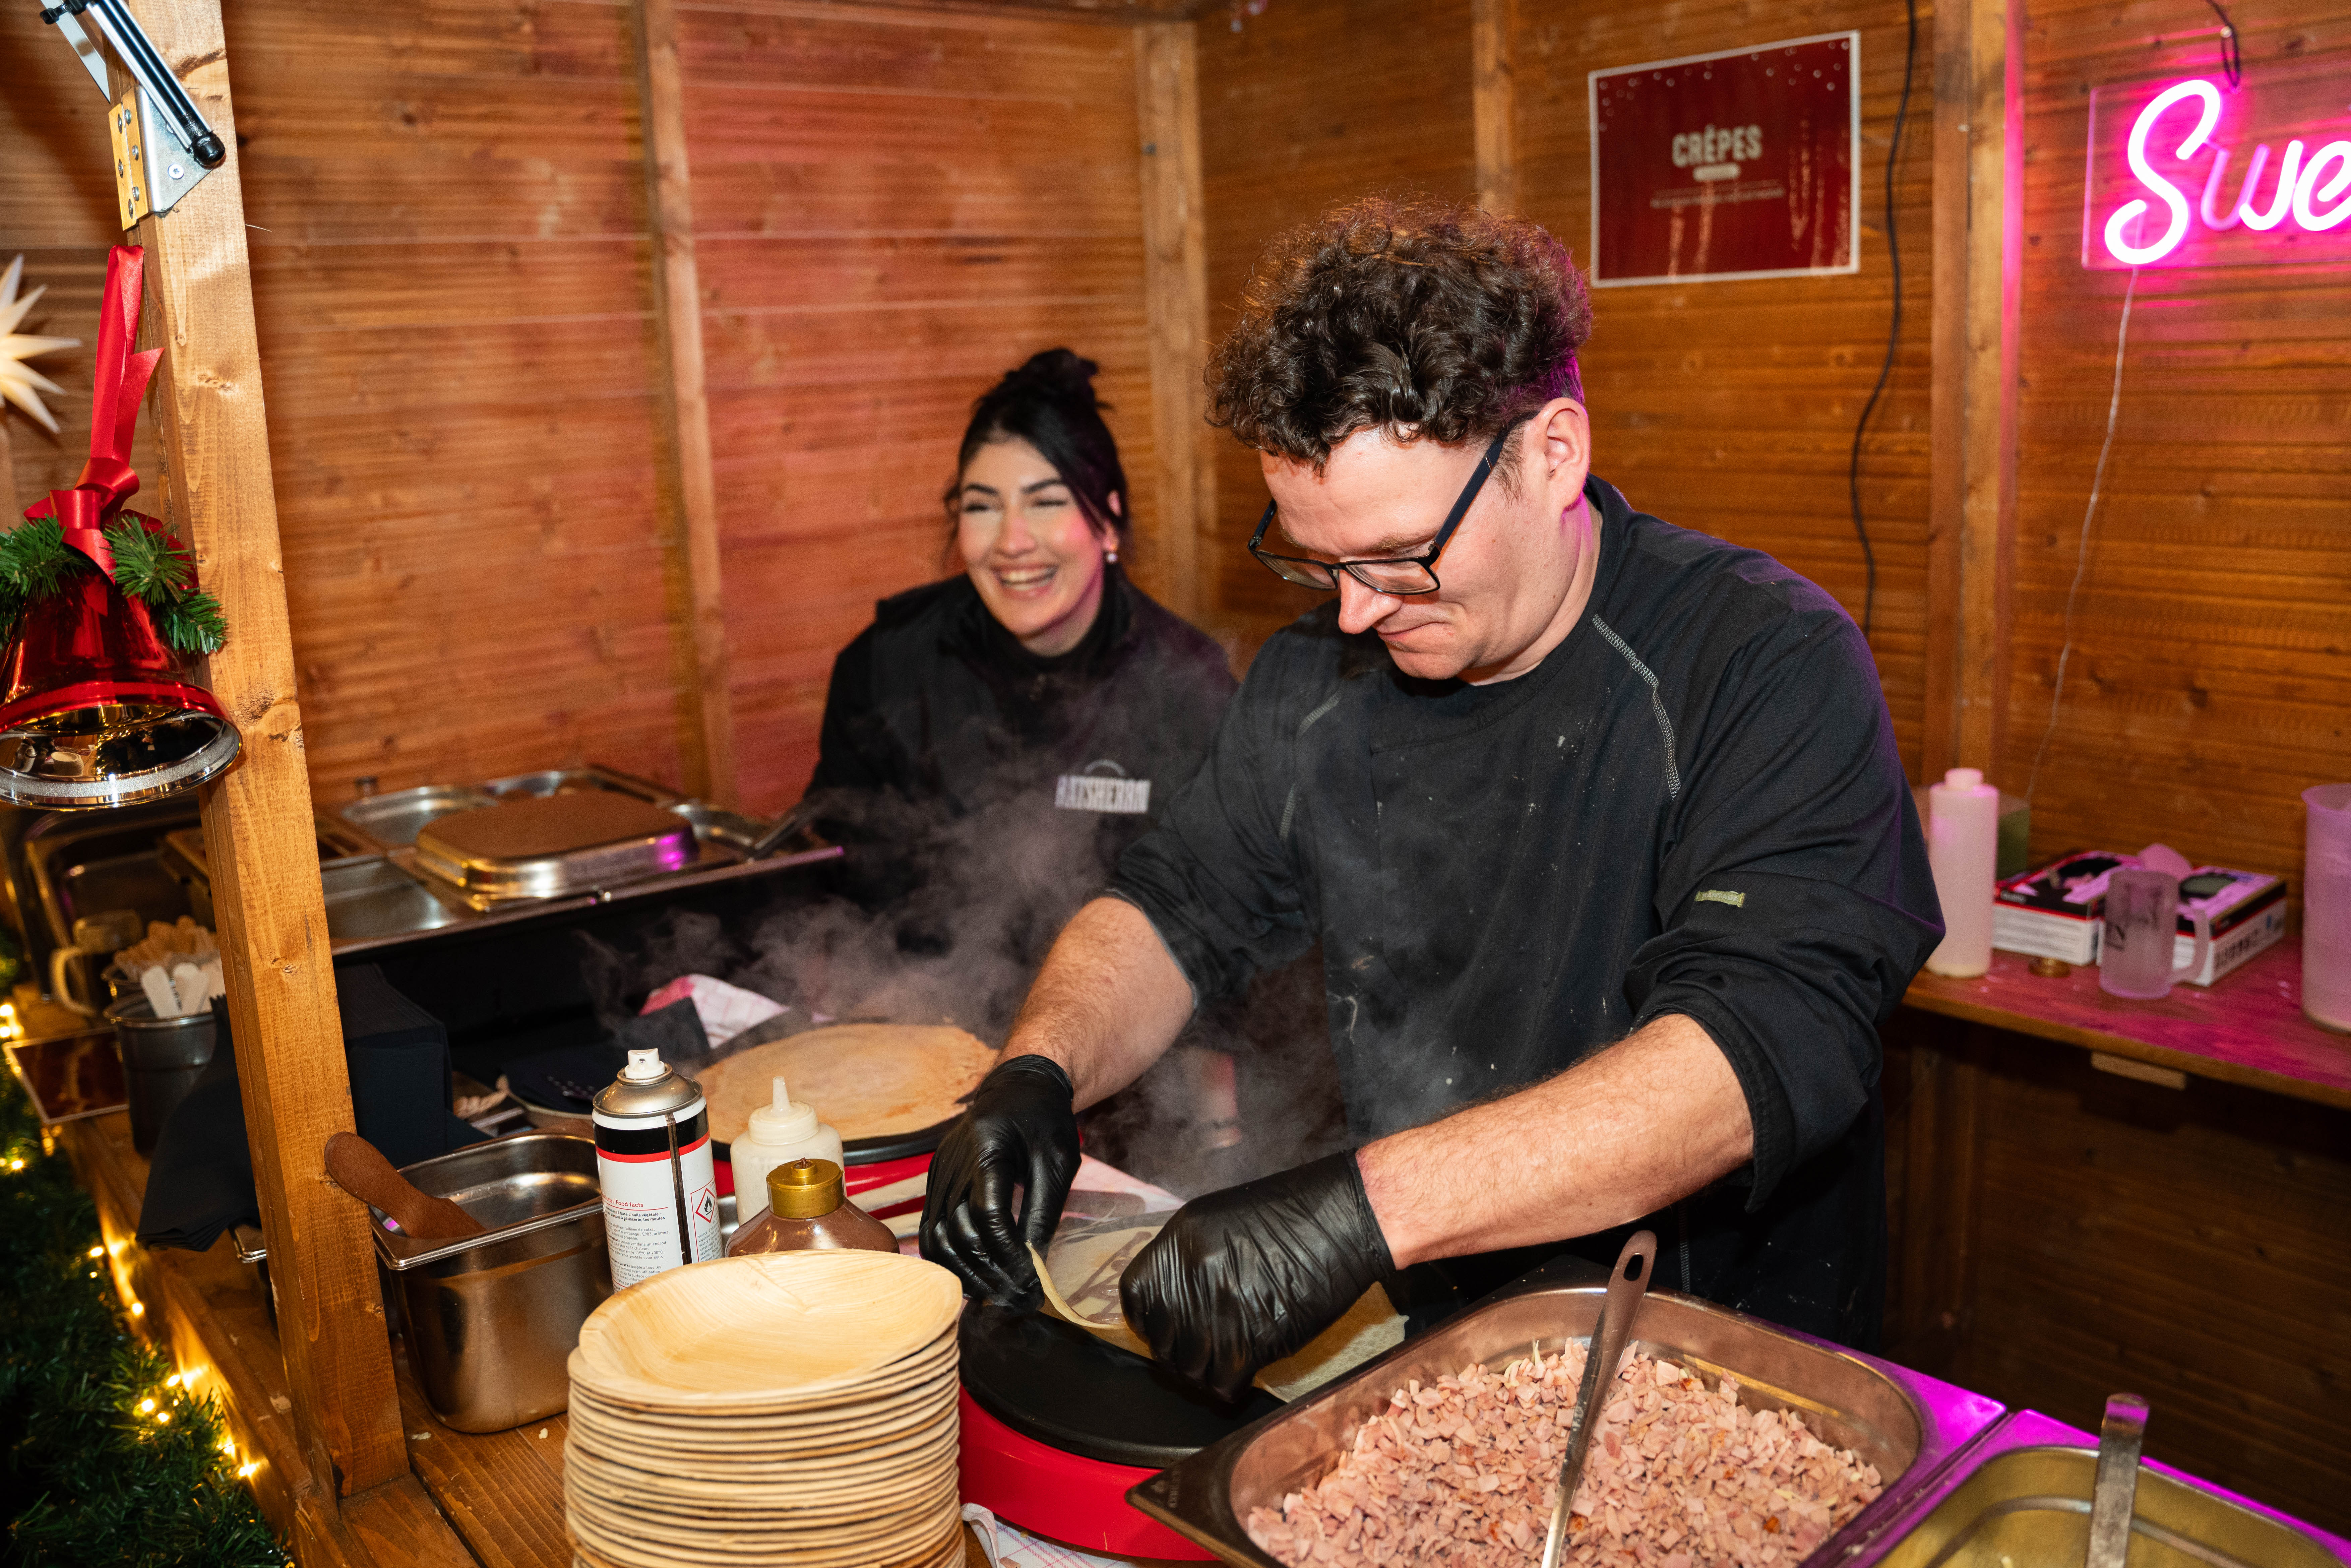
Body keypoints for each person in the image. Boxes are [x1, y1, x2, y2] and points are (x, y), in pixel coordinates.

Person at [919, 199, 1941, 1399]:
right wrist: (1038, 1069)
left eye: (1399, 558)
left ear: (1552, 453)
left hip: (1712, 1364)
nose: (1353, 611)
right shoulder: (1314, 676)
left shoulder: (1760, 661)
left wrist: (1359, 1211)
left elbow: (1747, 1054)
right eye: (1317, 561)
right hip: (1432, 1342)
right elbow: (1176, 903)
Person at [799, 349, 1305, 1182]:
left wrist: (1219, 1146)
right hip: (912, 1085)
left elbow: (1216, 941)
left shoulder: (1185, 687)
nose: (1013, 542)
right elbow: (838, 899)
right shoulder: (885, 667)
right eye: (981, 507)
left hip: (1117, 1092)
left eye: (1045, 502)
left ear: (1106, 521)